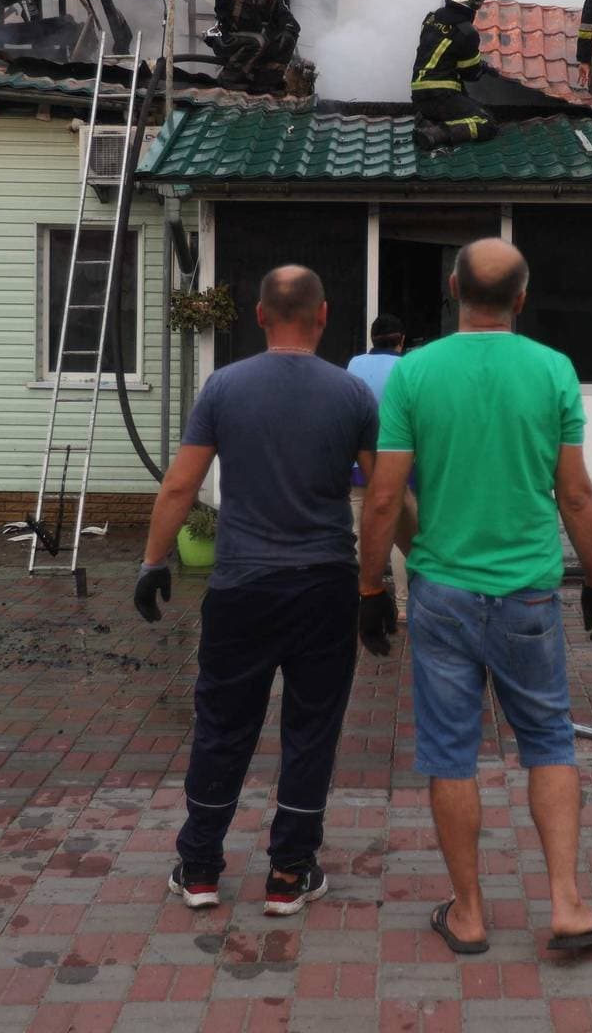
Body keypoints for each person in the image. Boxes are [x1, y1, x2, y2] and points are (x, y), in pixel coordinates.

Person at [356, 238, 592, 956]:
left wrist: (372, 586)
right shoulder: (552, 370)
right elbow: (574, 492)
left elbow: (384, 497)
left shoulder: (413, 373)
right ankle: (567, 906)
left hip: (441, 591)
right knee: (549, 741)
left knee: (450, 753)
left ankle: (470, 915)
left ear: (452, 289)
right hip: (530, 596)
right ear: (522, 297)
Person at [133, 265, 378, 916]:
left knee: (222, 724)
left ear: (261, 315)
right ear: (322, 317)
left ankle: (202, 867)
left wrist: (154, 561)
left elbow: (180, 485)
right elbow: (381, 496)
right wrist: (378, 587)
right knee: (312, 728)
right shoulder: (353, 395)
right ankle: (290, 872)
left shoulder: (224, 387)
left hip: (241, 586)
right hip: (326, 584)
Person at [167, 0, 301, 93]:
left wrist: (287, 31)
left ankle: (265, 83)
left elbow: (286, 19)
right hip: (227, 39)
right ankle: (229, 78)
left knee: (288, 37)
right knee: (257, 41)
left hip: (256, 42)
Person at [346, 315, 409, 616]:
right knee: (399, 532)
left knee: (358, 530)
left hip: (358, 461)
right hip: (396, 463)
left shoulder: (354, 365)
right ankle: (403, 604)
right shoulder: (406, 368)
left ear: (372, 339)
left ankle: (362, 596)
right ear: (401, 340)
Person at [411, 0, 497, 150]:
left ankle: (427, 121)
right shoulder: (467, 32)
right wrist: (483, 68)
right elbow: (470, 73)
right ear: (476, 3)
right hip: (441, 94)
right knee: (486, 122)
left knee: (461, 101)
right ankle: (437, 134)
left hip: (419, 94)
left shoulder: (431, 18)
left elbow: (442, 52)